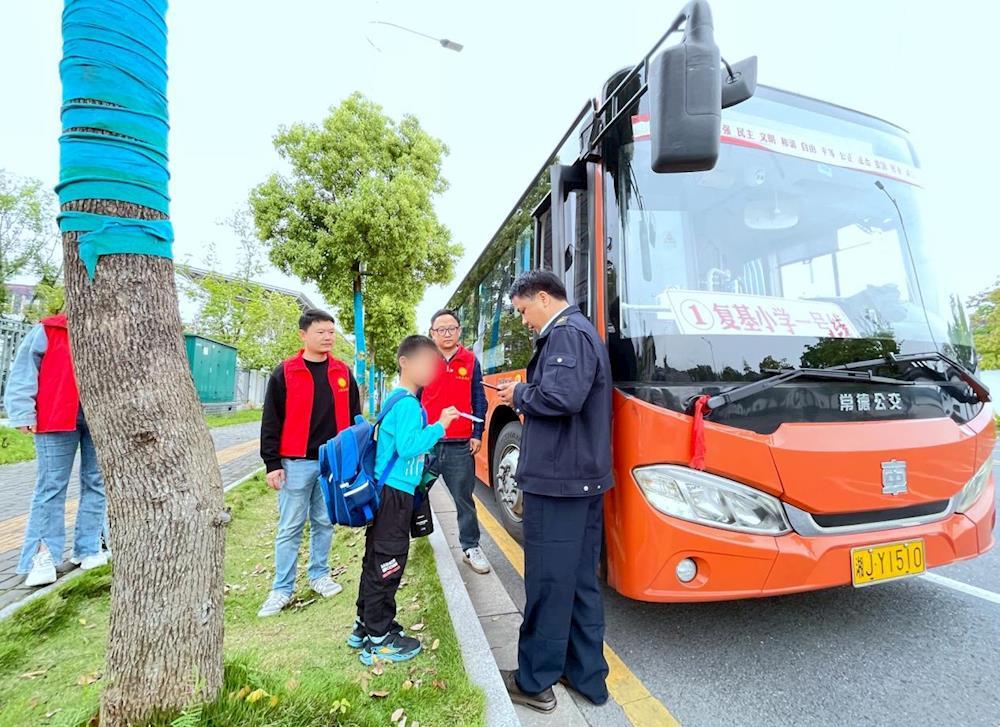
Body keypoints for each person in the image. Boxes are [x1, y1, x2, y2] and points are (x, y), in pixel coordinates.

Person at [495, 270, 613, 713]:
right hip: (579, 479)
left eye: (524, 310)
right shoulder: (580, 331)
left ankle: (534, 681)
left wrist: (518, 394)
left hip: (558, 481)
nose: (524, 320)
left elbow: (562, 398)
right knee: (579, 583)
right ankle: (585, 675)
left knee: (548, 582)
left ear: (543, 298)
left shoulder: (565, 334)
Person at [354, 335, 458, 665]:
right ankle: (379, 638)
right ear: (405, 363)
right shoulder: (408, 404)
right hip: (394, 495)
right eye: (425, 362)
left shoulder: (397, 399)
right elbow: (410, 446)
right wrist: (441, 426)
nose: (431, 369)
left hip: (387, 492)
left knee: (376, 559)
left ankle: (365, 626)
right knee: (388, 563)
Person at [257, 309, 361, 617]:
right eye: (321, 332)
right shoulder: (285, 372)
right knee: (290, 526)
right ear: (303, 335)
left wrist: (354, 457)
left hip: (331, 463)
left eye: (331, 332)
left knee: (324, 522)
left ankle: (319, 575)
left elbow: (355, 416)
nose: (328, 337)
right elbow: (271, 419)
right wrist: (272, 463)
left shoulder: (342, 372)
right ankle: (282, 588)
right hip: (296, 463)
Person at [4, 312, 109, 587]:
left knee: (97, 483)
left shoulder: (113, 327)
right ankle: (43, 555)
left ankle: (89, 547)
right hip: (55, 414)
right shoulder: (50, 328)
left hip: (103, 419)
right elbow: (25, 370)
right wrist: (22, 412)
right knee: (50, 486)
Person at [420, 309, 491, 574]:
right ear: (432, 333)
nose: (447, 333)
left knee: (464, 499)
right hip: (427, 443)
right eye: (441, 329)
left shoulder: (470, 360)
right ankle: (405, 538)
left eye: (451, 328)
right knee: (412, 492)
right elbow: (412, 397)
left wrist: (477, 433)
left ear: (459, 330)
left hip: (460, 445)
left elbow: (479, 399)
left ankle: (470, 547)